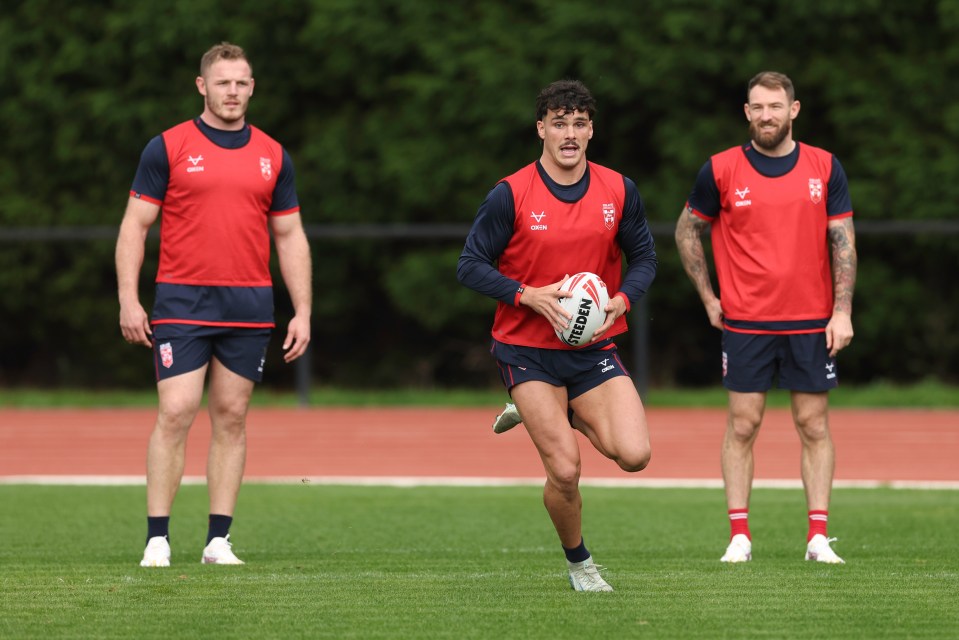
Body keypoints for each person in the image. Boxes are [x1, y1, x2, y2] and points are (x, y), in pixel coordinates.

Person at [116, 42, 312, 567]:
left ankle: (217, 541)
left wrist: (303, 310)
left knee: (231, 416)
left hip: (249, 306)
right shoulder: (168, 146)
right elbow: (135, 226)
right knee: (176, 411)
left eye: (242, 82)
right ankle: (158, 538)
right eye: (223, 82)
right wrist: (128, 299)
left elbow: (290, 236)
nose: (233, 91)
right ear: (202, 86)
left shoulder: (273, 154)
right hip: (182, 300)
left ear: (252, 87)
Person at [457, 79, 657, 591]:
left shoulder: (618, 189)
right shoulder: (511, 193)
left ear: (592, 130)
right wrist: (529, 295)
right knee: (565, 470)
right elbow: (470, 266)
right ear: (541, 128)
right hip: (527, 352)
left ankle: (553, 408)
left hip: (592, 350)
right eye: (559, 123)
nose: (570, 133)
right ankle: (580, 564)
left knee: (634, 455)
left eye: (579, 123)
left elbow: (645, 258)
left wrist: (621, 300)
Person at [675, 71, 857, 564]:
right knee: (743, 423)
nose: (767, 115)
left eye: (776, 106)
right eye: (757, 107)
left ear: (793, 110)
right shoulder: (720, 169)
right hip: (747, 321)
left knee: (813, 424)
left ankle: (817, 537)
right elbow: (687, 230)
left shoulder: (824, 166)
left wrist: (842, 311)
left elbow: (842, 241)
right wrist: (708, 297)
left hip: (810, 320)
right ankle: (739, 536)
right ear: (747, 113)